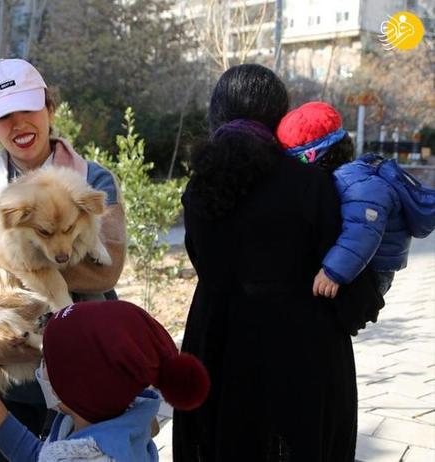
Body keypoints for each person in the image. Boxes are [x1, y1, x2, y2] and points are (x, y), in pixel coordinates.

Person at [172, 64, 377, 461]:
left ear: (217, 115)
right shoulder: (311, 183)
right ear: (280, 117)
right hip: (304, 350)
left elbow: (200, 260)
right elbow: (350, 282)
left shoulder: (199, 186)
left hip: (216, 341)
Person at [0, 59, 127, 461]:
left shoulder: (93, 180)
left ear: (49, 109)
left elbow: (106, 269)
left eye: (28, 108)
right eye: (4, 116)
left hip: (81, 382)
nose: (19, 124)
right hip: (2, 388)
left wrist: (4, 254)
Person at [0, 300, 209, 462]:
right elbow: (37, 456)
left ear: (78, 387)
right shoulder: (116, 417)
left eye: (47, 361)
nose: (40, 368)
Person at [276, 101, 435, 297]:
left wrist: (333, 272)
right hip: (365, 264)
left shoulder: (358, 183)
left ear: (315, 158)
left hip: (373, 270)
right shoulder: (349, 177)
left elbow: (362, 232)